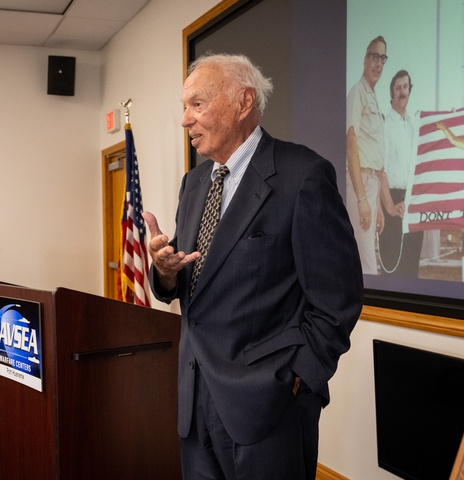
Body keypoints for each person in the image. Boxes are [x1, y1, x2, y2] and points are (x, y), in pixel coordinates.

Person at [144, 53, 362, 480]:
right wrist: (165, 271)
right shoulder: (193, 184)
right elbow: (193, 285)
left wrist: (296, 379)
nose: (185, 120)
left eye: (197, 104)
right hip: (194, 401)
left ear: (243, 103)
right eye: (184, 107)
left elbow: (338, 300)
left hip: (269, 408)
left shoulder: (303, 176)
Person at [346, 36, 388, 275]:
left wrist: (378, 206)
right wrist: (362, 199)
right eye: (374, 56)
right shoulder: (357, 92)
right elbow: (351, 143)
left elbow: (374, 154)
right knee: (367, 264)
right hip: (359, 183)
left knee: (367, 258)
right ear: (364, 60)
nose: (378, 64)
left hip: (371, 186)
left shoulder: (373, 96)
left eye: (383, 58)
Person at [379, 70, 424, 278]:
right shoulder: (385, 125)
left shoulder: (415, 125)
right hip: (393, 201)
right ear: (391, 93)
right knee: (393, 268)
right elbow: (381, 171)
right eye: (398, 88)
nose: (402, 92)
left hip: (412, 200)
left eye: (405, 87)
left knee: (411, 264)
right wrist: (389, 207)